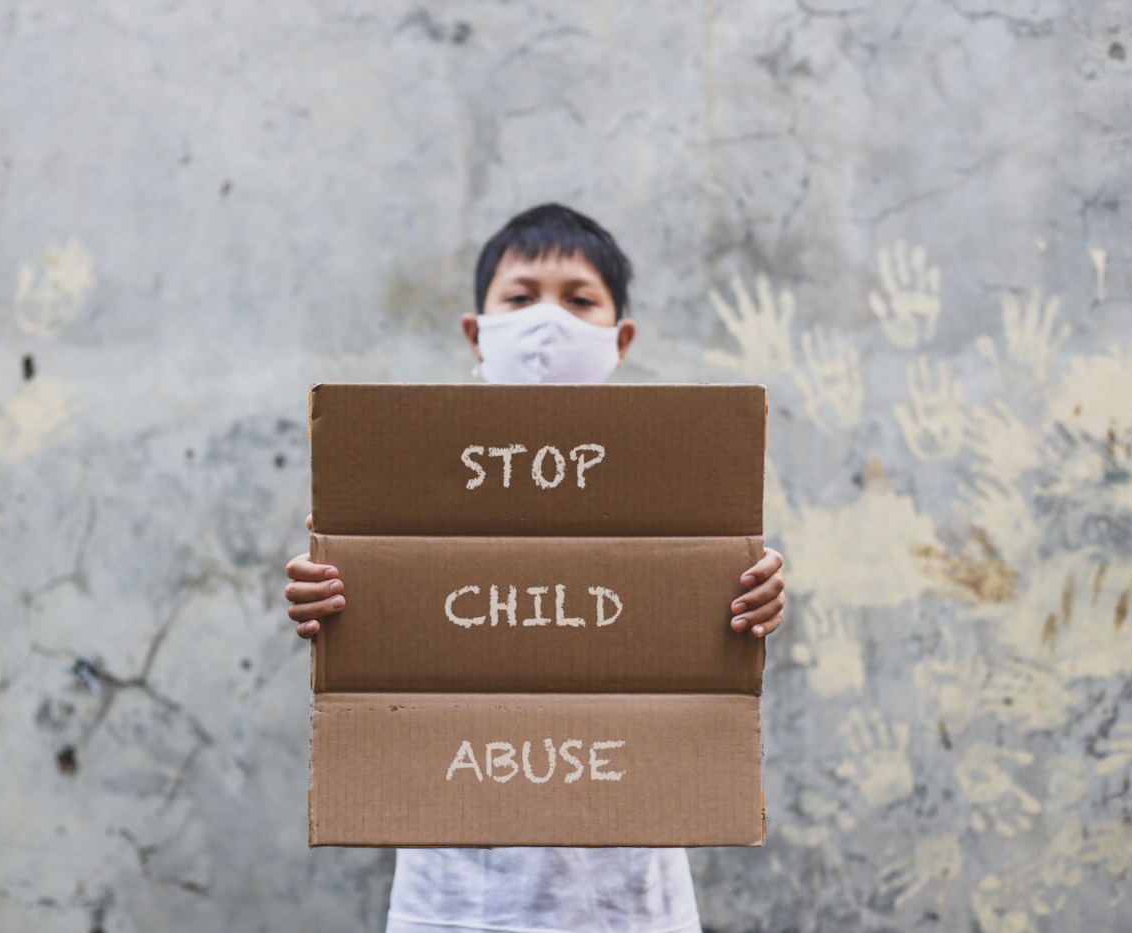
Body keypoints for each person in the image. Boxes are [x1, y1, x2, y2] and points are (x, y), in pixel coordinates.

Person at [284, 204, 787, 933]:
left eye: (579, 299)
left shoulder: (671, 483)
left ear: (621, 338)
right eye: (520, 298)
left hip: (626, 897)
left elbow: (709, 621)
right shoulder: (413, 480)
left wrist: (752, 590)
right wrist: (325, 593)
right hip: (459, 900)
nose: (548, 321)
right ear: (477, 331)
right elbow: (366, 615)